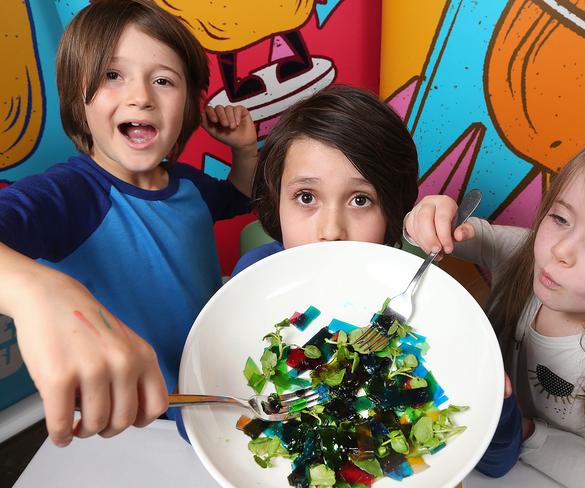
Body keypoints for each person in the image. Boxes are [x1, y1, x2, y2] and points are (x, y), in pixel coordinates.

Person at [0, 0, 257, 447]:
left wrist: (245, 152)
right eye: (112, 75)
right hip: (133, 419)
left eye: (163, 80)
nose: (141, 95)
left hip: (213, 391)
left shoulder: (186, 183)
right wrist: (34, 290)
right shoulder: (69, 196)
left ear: (188, 110)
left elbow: (237, 198)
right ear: (76, 99)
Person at [404, 124, 585, 486]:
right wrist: (425, 221)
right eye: (560, 218)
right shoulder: (524, 254)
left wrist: (523, 429)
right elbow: (465, 237)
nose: (560, 250)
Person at [230, 84, 420, 276]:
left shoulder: (402, 280)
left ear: (393, 210)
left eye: (360, 200)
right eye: (306, 197)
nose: (331, 232)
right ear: (275, 200)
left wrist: (444, 229)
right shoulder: (254, 274)